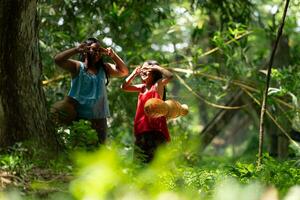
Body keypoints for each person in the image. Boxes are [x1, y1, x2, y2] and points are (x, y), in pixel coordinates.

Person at [51, 37, 128, 144]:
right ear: (86, 50)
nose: (97, 53)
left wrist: (113, 56)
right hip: (80, 118)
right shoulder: (78, 66)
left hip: (100, 119)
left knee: (99, 153)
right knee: (80, 151)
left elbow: (124, 71)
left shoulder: (104, 68)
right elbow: (58, 60)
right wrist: (76, 49)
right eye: (94, 50)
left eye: (99, 50)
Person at [121, 60, 173, 162]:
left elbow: (170, 76)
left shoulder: (158, 85)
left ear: (154, 72)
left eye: (146, 69)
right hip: (141, 131)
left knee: (155, 164)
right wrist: (134, 73)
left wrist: (157, 67)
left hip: (155, 131)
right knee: (139, 163)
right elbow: (124, 87)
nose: (143, 71)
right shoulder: (142, 88)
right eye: (142, 69)